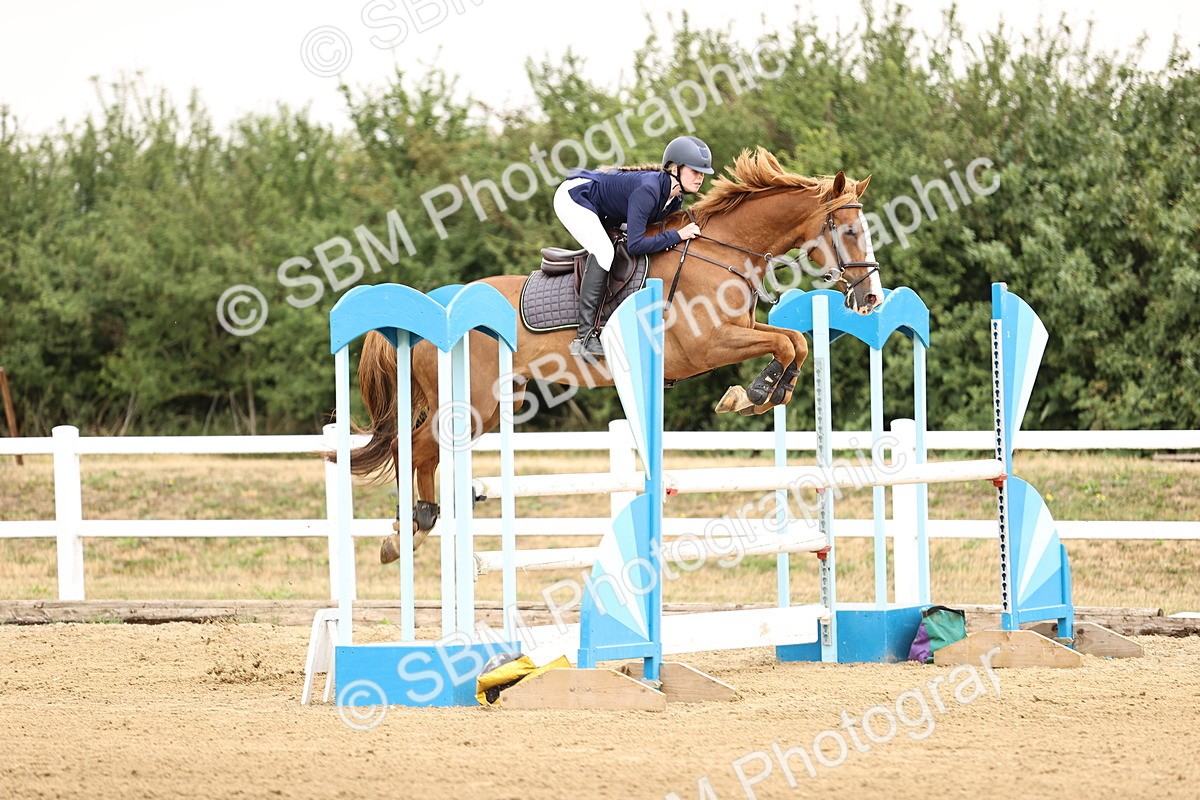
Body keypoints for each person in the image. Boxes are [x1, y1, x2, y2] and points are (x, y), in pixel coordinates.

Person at [553, 135, 714, 359]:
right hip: (576, 197)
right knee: (604, 252)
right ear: (675, 169)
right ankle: (584, 337)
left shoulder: (675, 198)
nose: (700, 178)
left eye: (703, 173)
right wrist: (678, 235)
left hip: (606, 210)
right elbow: (635, 245)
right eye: (695, 171)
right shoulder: (649, 190)